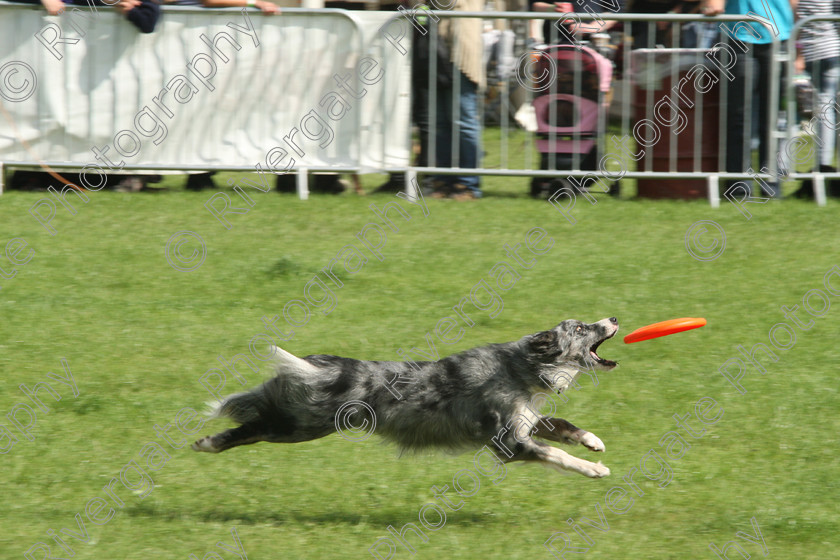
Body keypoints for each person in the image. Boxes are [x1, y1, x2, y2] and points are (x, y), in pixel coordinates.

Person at [702, 0, 794, 197]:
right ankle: (737, 184)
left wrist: (798, 47)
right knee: (737, 115)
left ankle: (771, 183)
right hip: (738, 37)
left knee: (772, 117)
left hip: (779, 37)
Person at [796, 0, 840, 172]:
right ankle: (825, 164)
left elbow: (797, 16)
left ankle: (823, 164)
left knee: (824, 109)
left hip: (815, 50)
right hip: (832, 49)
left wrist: (798, 52)